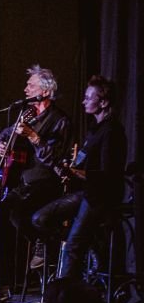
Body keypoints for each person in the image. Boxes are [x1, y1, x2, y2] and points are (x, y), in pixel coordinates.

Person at [30, 75, 127, 281]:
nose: (83, 101)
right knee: (40, 218)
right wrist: (70, 170)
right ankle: (87, 243)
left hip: (100, 196)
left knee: (73, 245)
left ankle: (65, 292)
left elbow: (107, 175)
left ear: (103, 102)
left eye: (88, 98)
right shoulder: (95, 129)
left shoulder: (111, 131)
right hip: (86, 192)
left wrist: (75, 172)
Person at [0, 65, 71, 270]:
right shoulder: (28, 114)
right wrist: (0, 144)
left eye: (31, 86)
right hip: (22, 182)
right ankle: (0, 277)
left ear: (45, 91)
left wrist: (34, 137)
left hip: (46, 183)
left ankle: (44, 242)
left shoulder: (59, 120)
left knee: (16, 213)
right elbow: (4, 134)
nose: (25, 89)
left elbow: (55, 159)